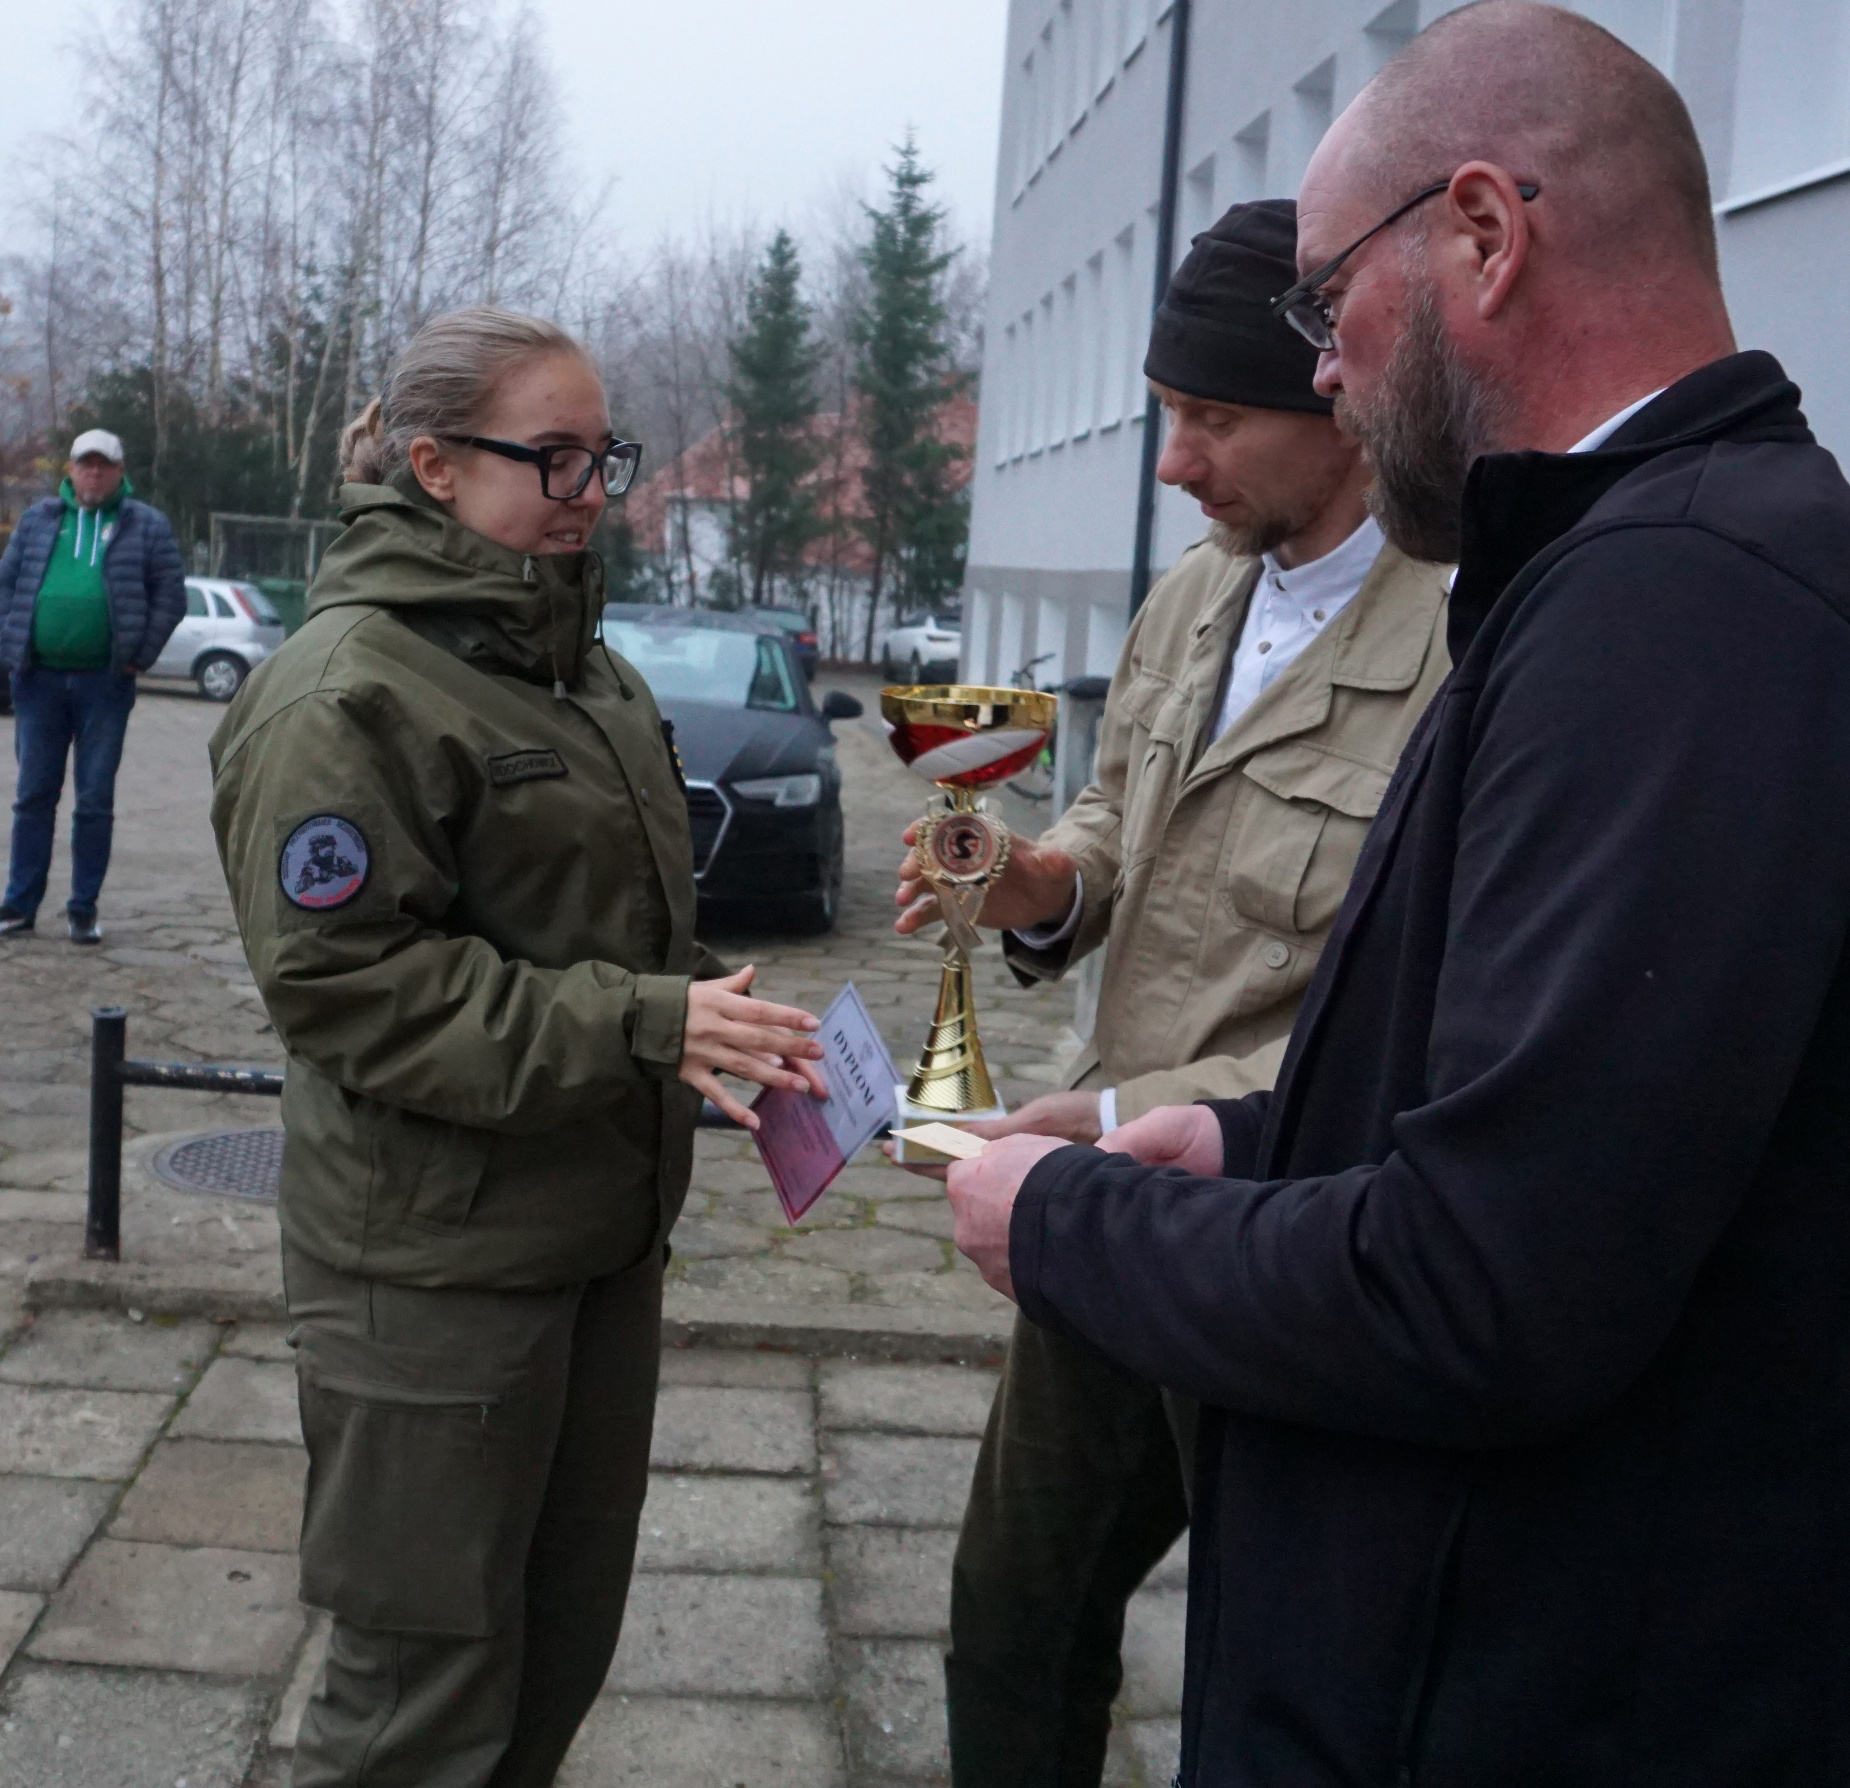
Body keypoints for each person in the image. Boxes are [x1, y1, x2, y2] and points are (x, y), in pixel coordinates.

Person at [943, 4, 1850, 1783]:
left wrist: (1072, 1224)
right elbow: (1563, 1113)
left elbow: (1490, 1287)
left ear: (1481, 234)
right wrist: (1251, 1138)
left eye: (1327, 308)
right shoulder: (1624, 578)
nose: (1325, 370)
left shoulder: (1683, 619)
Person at [209, 305, 826, 1788]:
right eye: (552, 456)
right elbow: (351, 986)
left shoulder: (582, 668)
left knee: (557, 1650)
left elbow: (591, 927)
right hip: (434, 1274)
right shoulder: (347, 690)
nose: (591, 490)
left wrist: (715, 1013)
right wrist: (646, 1022)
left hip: (596, 1243)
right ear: (433, 465)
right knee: (417, 1702)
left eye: (604, 455)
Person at [895, 201, 1452, 1786]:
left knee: (1286, 1675)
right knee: (1013, 1619)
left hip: (1290, 1246)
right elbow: (1114, 817)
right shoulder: (1202, 590)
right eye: (1163, 413)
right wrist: (1033, 884)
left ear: (1339, 396)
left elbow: (1410, 1018)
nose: (1174, 463)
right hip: (1105, 1219)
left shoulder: (1467, 635)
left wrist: (1125, 1116)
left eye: (1211, 418)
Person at [0, 429, 185, 942]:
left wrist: (140, 654)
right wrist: (10, 643)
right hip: (37, 681)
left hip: (105, 685)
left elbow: (171, 595)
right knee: (33, 796)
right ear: (71, 470)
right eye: (86, 464)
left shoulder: (146, 525)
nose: (94, 473)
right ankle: (19, 904)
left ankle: (83, 909)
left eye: (104, 465)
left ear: (120, 471)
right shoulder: (38, 520)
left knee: (95, 800)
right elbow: (6, 583)